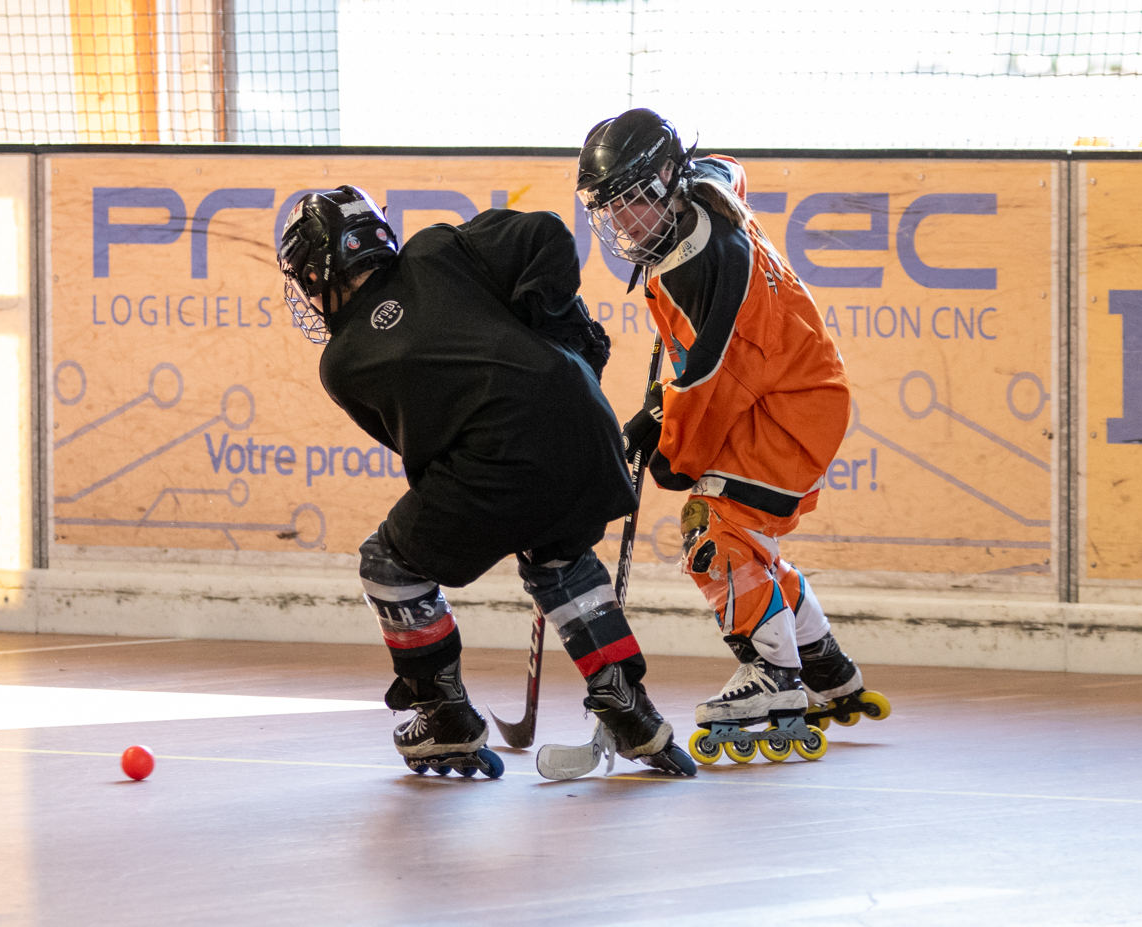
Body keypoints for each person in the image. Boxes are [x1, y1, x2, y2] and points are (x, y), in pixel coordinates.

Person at [275, 185, 695, 778]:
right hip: (585, 425)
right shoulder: (436, 250)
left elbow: (427, 453)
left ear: (321, 271)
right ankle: (631, 710)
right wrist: (561, 331)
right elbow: (547, 233)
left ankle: (444, 714)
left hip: (500, 455)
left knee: (388, 567)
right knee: (559, 560)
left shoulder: (342, 363)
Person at [574, 109, 890, 758]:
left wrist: (668, 443)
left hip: (786, 412)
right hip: (795, 387)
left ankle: (773, 674)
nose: (622, 221)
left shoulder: (694, 269)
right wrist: (659, 413)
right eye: (609, 208)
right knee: (749, 541)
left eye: (632, 201)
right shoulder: (706, 186)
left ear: (666, 180)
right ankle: (824, 666)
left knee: (711, 529)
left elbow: (707, 383)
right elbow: (729, 168)